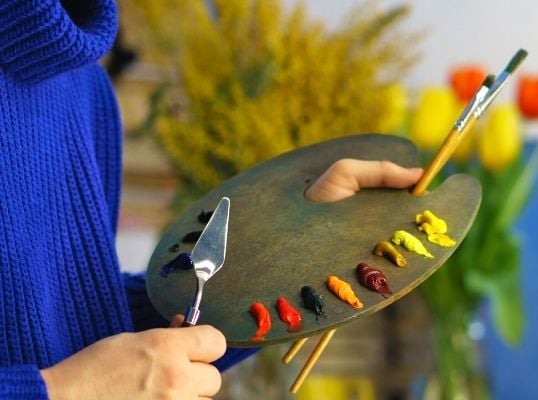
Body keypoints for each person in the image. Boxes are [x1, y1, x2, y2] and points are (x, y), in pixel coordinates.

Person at [0, 1, 423, 399]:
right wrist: (65, 389)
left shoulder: (83, 85)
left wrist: (301, 242)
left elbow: (79, 323)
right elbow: (85, 376)